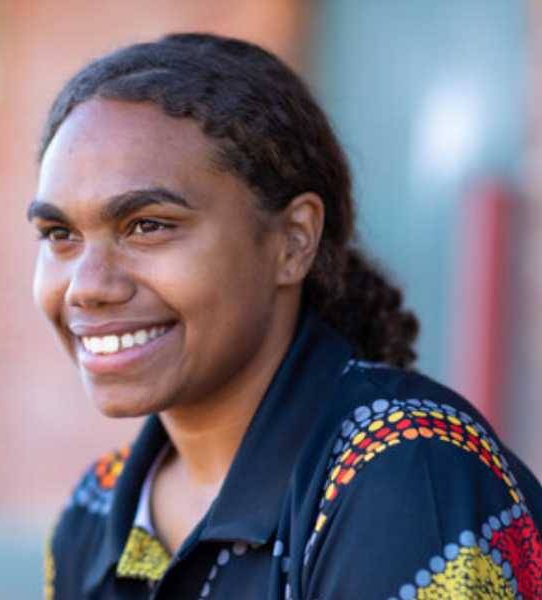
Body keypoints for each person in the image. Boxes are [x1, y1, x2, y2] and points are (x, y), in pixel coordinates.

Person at [28, 33, 542, 600]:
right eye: (60, 235)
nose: (88, 287)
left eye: (149, 225)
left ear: (293, 241)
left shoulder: (406, 475)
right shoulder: (93, 512)